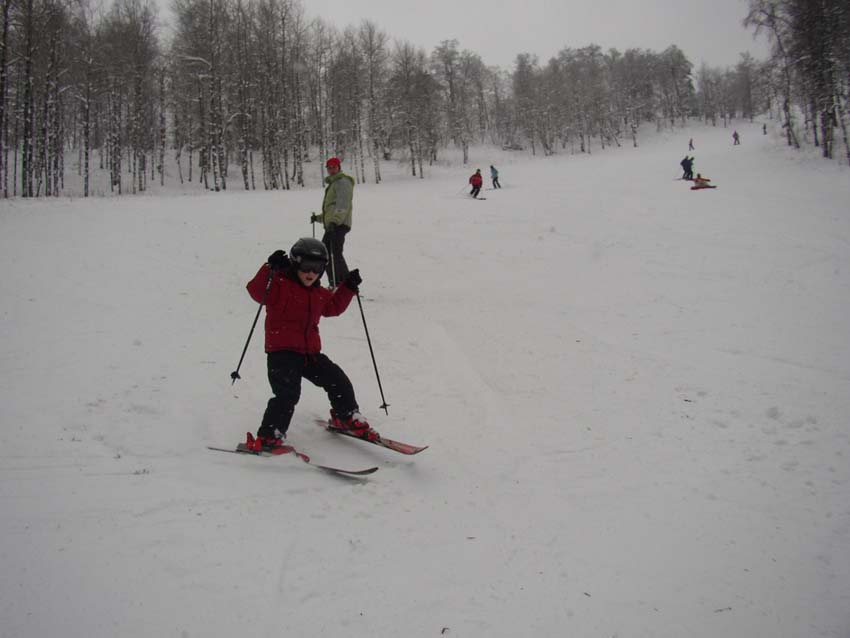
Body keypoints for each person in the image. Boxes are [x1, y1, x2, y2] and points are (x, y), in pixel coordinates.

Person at [243, 237, 376, 452]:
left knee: (337, 380)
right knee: (287, 394)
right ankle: (270, 435)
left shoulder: (318, 293)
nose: (311, 273)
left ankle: (346, 416)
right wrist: (270, 268)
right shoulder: (279, 285)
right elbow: (256, 291)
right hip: (282, 354)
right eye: (306, 266)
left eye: (317, 268)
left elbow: (334, 307)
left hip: (310, 354)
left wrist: (348, 287)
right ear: (295, 263)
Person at [310, 157, 354, 287]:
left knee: (332, 254)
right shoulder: (334, 183)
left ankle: (344, 285)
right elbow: (331, 209)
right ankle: (337, 283)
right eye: (329, 168)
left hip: (339, 225)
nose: (331, 170)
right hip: (333, 225)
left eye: (334, 167)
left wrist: (335, 221)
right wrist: (318, 218)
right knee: (328, 254)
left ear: (339, 167)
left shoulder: (343, 182)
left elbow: (343, 204)